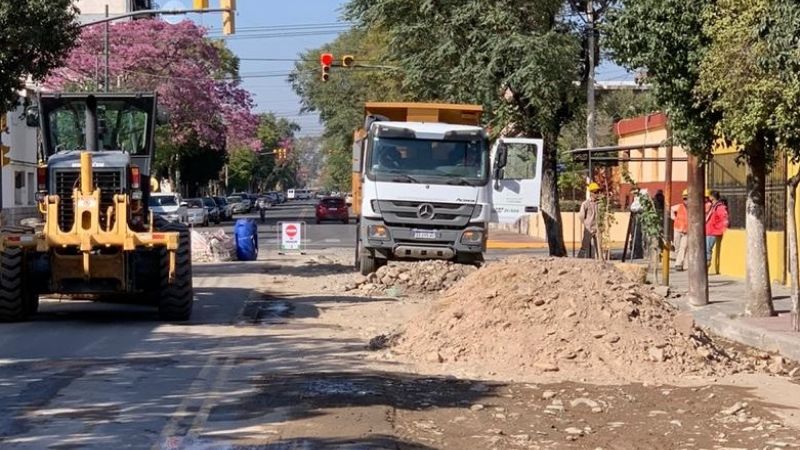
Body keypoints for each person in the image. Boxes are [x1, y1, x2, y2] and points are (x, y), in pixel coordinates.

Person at [705, 190, 728, 268]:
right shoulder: (714, 206)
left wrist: (719, 228)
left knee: (708, 249)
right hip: (709, 230)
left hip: (713, 231)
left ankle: (707, 264)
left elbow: (724, 219)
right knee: (706, 248)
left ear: (712, 197)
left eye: (709, 196)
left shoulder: (720, 207)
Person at [578, 182, 601, 259]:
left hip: (598, 228)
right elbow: (581, 216)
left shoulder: (599, 203)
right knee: (584, 246)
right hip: (589, 228)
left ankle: (600, 261)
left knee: (599, 247)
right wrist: (586, 224)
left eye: (598, 192)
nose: (597, 194)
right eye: (595, 192)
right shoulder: (585, 204)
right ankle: (579, 260)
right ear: (591, 193)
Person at [670, 189, 689, 271]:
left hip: (687, 231)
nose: (686, 200)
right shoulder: (679, 206)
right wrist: (674, 218)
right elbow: (671, 209)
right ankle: (683, 264)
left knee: (683, 247)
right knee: (677, 247)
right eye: (684, 198)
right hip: (677, 229)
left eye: (687, 198)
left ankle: (678, 264)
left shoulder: (693, 208)